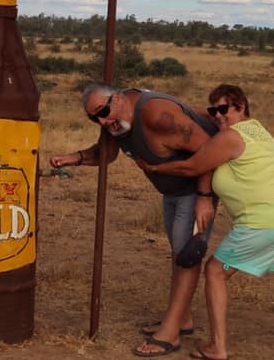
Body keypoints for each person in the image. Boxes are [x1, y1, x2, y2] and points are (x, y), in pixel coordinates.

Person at [133, 84, 274, 359]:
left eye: (224, 109)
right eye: (214, 110)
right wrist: (177, 106)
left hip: (263, 224)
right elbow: (203, 115)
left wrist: (154, 168)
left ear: (241, 107)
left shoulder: (229, 139)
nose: (218, 116)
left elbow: (192, 166)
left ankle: (217, 347)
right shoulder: (257, 129)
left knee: (214, 271)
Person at [49, 82, 219, 357]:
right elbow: (107, 153)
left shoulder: (155, 113)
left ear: (117, 98)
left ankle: (171, 333)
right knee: (178, 253)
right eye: (95, 118)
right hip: (172, 191)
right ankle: (182, 318)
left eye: (104, 111)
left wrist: (204, 195)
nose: (102, 121)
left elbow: (210, 149)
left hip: (193, 189)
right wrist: (74, 158)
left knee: (188, 256)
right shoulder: (116, 123)